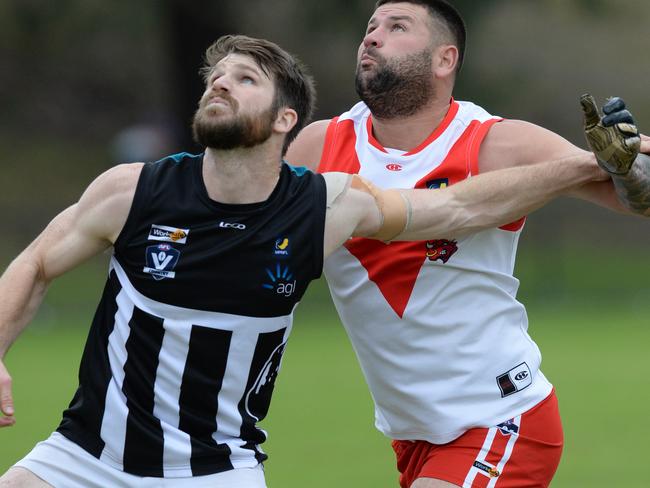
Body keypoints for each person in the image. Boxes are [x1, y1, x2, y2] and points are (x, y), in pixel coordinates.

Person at [0, 34, 610, 488]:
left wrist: (590, 163)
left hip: (216, 472)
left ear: (284, 121)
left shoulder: (326, 207)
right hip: (80, 459)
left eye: (245, 80)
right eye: (218, 76)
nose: (220, 84)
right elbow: (34, 267)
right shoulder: (132, 190)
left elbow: (453, 209)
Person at [285, 1, 650, 487]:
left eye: (397, 28)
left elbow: (633, 194)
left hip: (501, 418)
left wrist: (627, 170)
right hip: (413, 435)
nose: (371, 38)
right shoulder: (319, 146)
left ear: (444, 60)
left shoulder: (496, 143)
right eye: (371, 27)